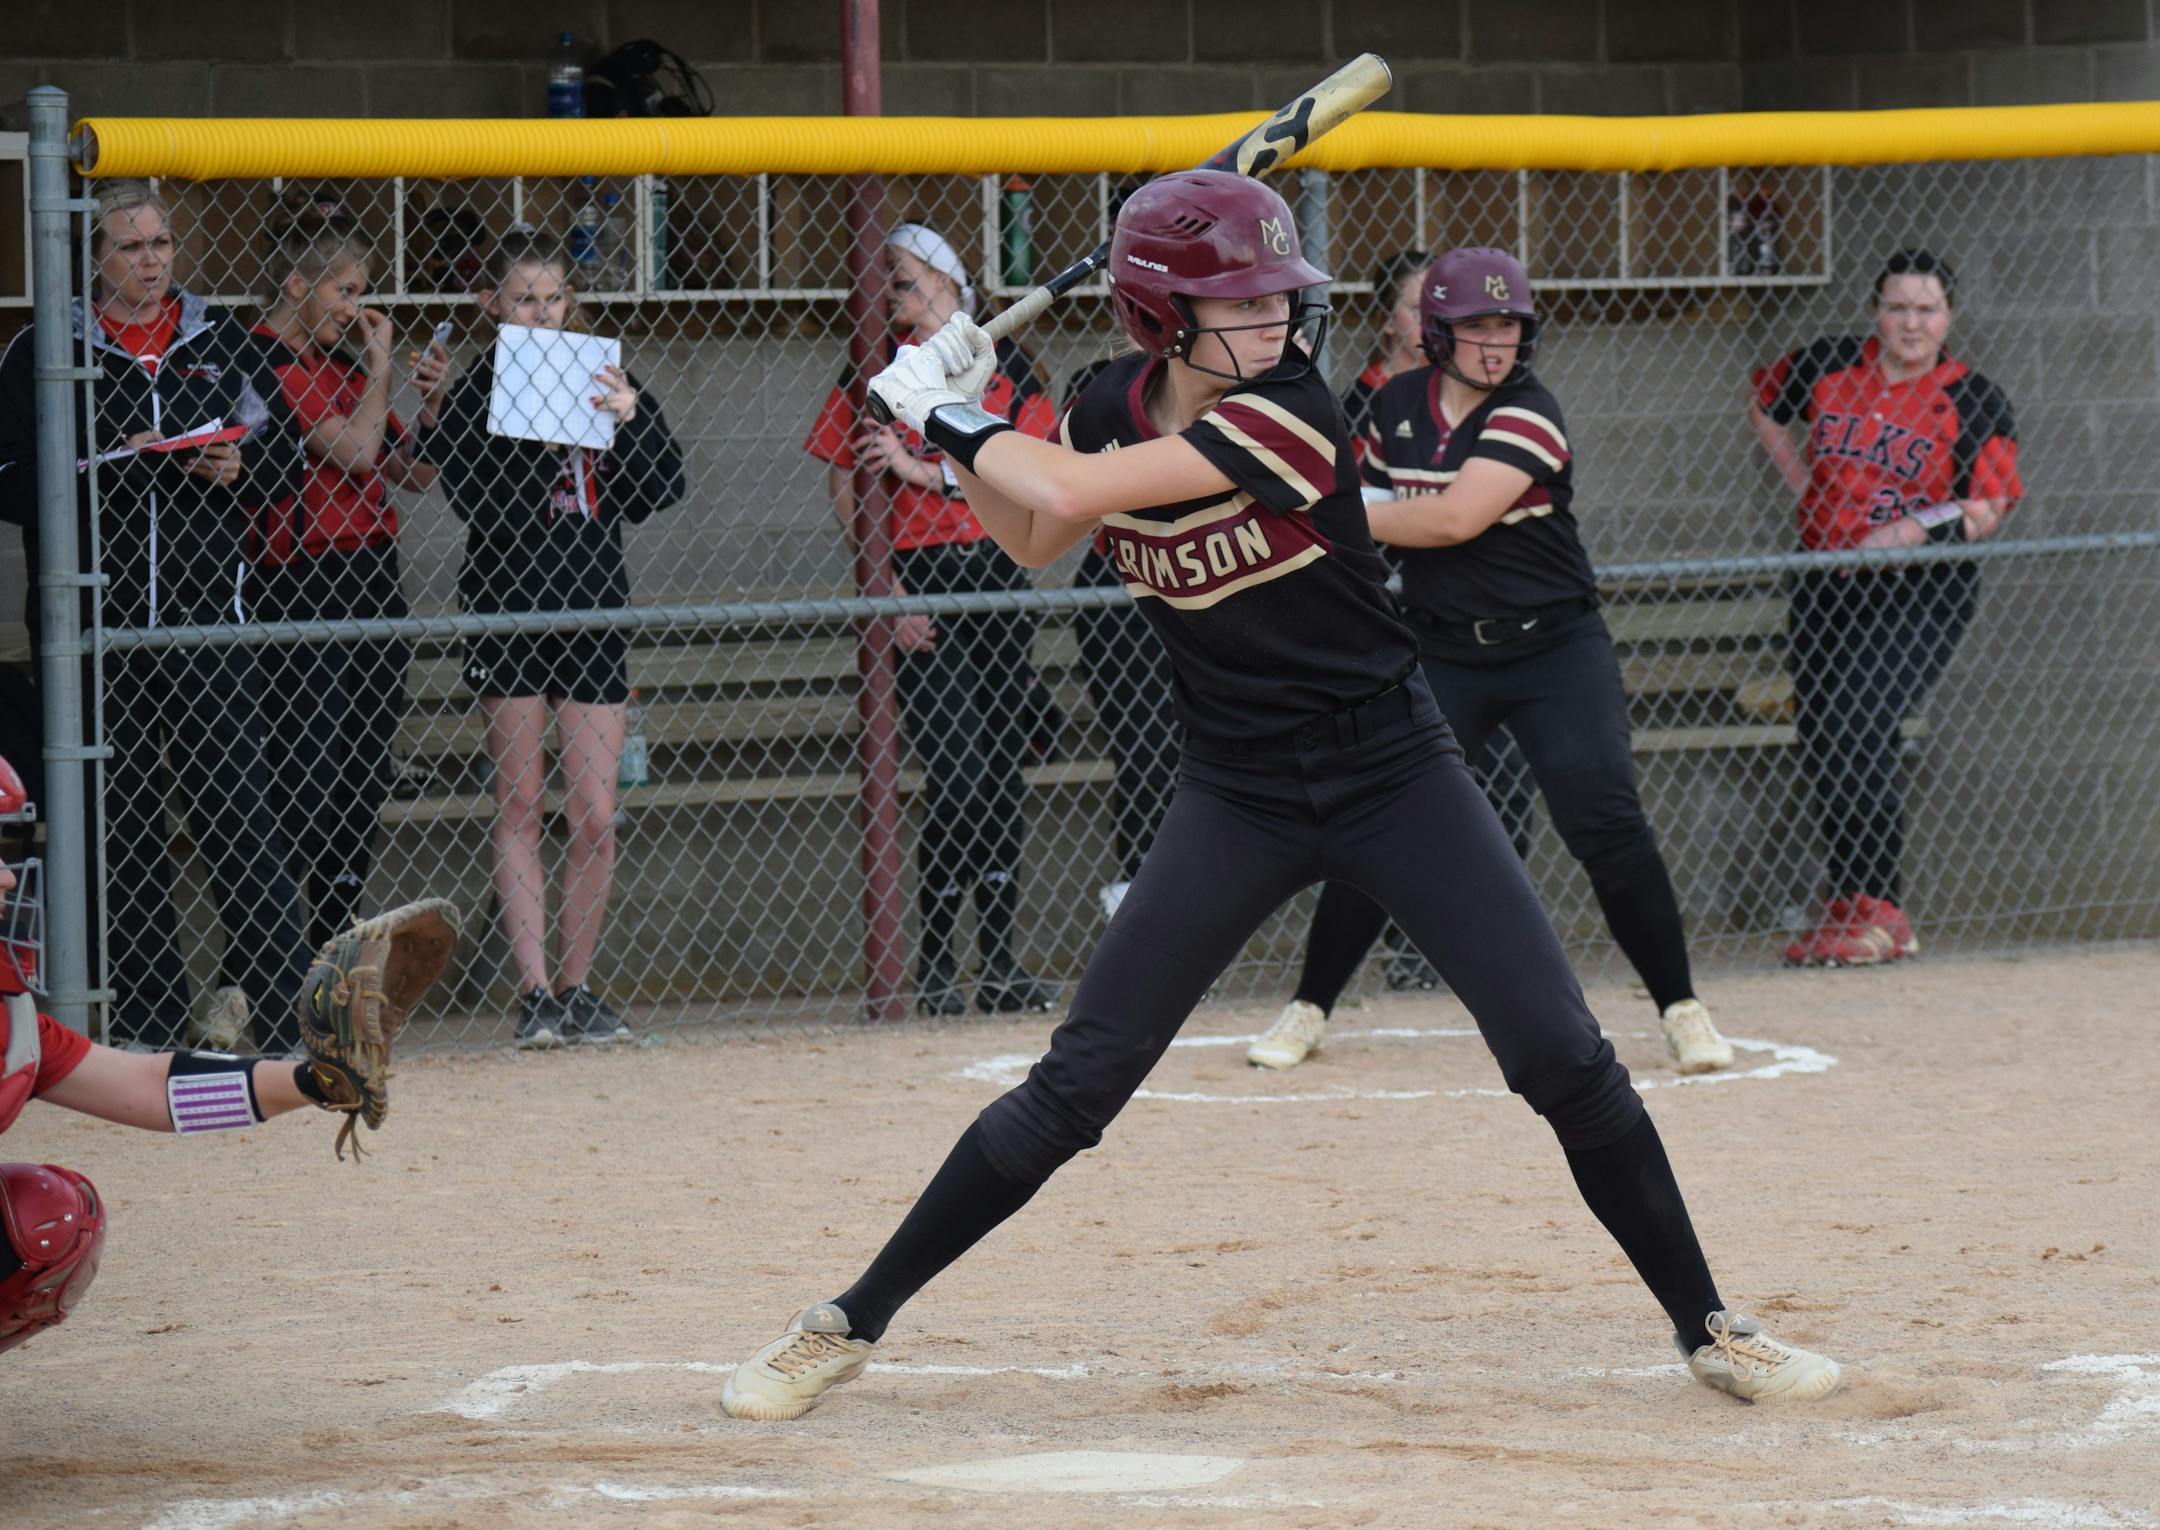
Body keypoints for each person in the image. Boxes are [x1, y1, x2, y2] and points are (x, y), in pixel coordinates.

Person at [718, 172, 1842, 1422]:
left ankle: (1712, 1328)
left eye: (1277, 298)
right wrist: (960, 423)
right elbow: (1034, 535)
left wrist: (945, 413)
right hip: (1236, 789)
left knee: (1563, 1057)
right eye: (1242, 304)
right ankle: (845, 1322)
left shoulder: (1293, 412)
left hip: (1394, 771)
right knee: (1076, 1085)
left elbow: (1071, 493)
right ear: (1161, 319)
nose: (1277, 322)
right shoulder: (1101, 405)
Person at [1247, 249, 1732, 1078]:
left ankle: (1683, 1009)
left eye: (1508, 325)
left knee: (1604, 820)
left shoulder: (1530, 410)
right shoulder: (1394, 404)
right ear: (1436, 332)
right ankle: (1310, 1006)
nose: (1496, 343)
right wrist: (1337, 521)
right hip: (1443, 648)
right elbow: (1363, 525)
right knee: (1382, 820)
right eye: (1476, 326)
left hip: (1554, 649)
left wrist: (1328, 510)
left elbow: (1451, 521)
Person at [0, 180, 310, 1054]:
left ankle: (283, 1010)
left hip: (208, 622)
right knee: (122, 825)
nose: (151, 261)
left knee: (239, 815)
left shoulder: (223, 341)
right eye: (130, 247)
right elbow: (7, 478)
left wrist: (239, 466)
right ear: (94, 257)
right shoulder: (39, 348)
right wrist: (102, 467)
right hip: (90, 630)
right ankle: (147, 1019)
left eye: (162, 244)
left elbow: (284, 454)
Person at [427, 231, 685, 1048]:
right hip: (509, 608)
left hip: (592, 609)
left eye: (553, 298)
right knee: (521, 802)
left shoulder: (600, 370)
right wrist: (533, 441)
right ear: (494, 306)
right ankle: (534, 991)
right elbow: (472, 500)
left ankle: (576, 987)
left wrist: (627, 419)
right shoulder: (479, 387)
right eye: (524, 299)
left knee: (597, 813)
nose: (542, 313)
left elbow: (663, 486)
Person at [0, 753, 341, 1355]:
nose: (6, 879)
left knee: (49, 1217)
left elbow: (150, 1086)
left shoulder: (10, 1017)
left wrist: (315, 1082)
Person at [803, 223, 1060, 1014]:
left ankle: (1000, 963)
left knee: (1002, 775)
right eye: (888, 279)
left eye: (905, 278)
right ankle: (939, 962)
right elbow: (843, 477)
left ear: (949, 282)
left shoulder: (1004, 361)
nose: (891, 291)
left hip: (997, 573)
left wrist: (920, 470)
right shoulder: (876, 365)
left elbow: (1033, 469)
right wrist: (886, 589)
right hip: (920, 582)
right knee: (958, 775)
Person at [1749, 250, 2020, 967]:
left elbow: (1988, 507)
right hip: (1825, 579)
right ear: (1876, 311)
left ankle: (1882, 909)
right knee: (1823, 736)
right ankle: (1849, 903)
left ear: (1949, 317)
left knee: (1860, 725)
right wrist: (1805, 486)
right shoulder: (1831, 363)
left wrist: (1913, 529)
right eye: (1897, 307)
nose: (1911, 323)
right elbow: (1764, 402)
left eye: (1927, 309)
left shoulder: (1976, 397)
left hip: (1919, 591)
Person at [249, 195, 447, 968]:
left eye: (362, 292)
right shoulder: (265, 359)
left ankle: (331, 950)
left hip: (372, 575)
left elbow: (412, 471)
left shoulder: (344, 366)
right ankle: (261, 962)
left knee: (361, 775)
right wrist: (382, 370)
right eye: (345, 291)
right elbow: (356, 453)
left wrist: (428, 403)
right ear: (298, 285)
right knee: (307, 773)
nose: (356, 309)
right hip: (303, 578)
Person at [1061, 359, 1179, 924]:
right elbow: (1067, 484)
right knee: (1146, 748)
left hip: (1201, 570)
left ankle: (1197, 896)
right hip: (1121, 581)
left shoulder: (1224, 371)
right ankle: (1143, 899)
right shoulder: (1098, 381)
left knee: (1205, 742)